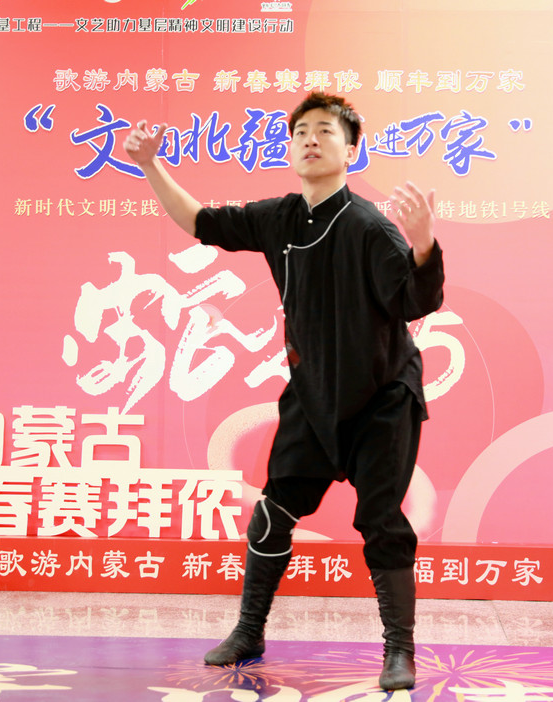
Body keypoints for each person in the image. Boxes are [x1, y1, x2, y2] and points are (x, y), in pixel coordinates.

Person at [123, 92, 444, 691]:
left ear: (351, 150)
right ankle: (249, 631)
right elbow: (201, 223)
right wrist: (150, 166)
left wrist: (423, 244)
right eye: (301, 132)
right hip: (313, 397)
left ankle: (399, 650)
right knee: (272, 514)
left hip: (383, 400)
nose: (311, 140)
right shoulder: (279, 218)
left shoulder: (371, 227)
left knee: (381, 522)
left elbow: (415, 301)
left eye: (326, 131)